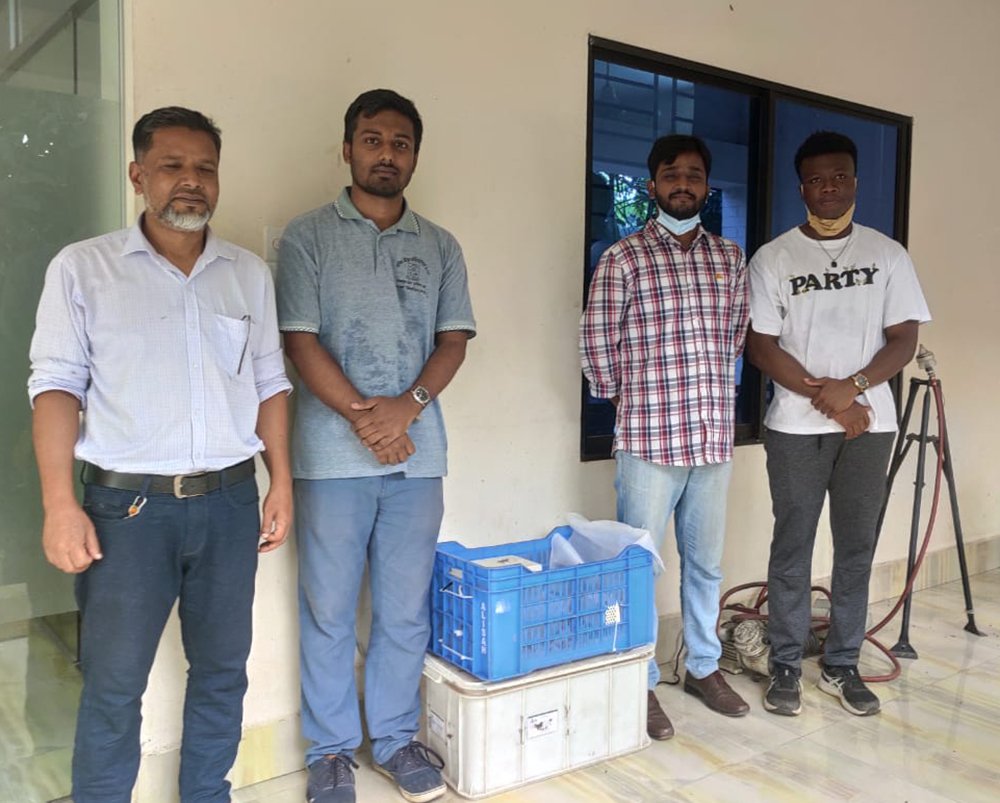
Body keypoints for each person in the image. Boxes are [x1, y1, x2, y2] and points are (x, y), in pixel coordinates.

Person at [28, 106, 293, 803]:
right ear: (138, 175)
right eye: (172, 165)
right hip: (126, 511)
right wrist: (59, 504)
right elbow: (55, 387)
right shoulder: (84, 269)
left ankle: (207, 793)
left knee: (223, 672)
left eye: (205, 167)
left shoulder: (247, 274)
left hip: (230, 503)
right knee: (114, 682)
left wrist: (281, 482)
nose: (191, 180)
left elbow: (270, 383)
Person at [276, 88, 475, 803]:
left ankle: (393, 738)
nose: (386, 153)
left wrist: (406, 410)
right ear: (347, 149)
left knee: (404, 609)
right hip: (331, 460)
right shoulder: (306, 236)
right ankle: (330, 751)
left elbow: (453, 341)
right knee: (328, 609)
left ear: (414, 155)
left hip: (418, 460)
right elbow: (299, 340)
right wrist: (369, 419)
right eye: (372, 140)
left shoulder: (440, 244)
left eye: (400, 143)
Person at [747, 130, 931, 718]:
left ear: (855, 182)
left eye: (839, 177)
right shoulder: (774, 258)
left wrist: (853, 387)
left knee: (856, 546)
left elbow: (904, 339)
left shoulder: (888, 254)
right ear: (801, 188)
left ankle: (842, 662)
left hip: (869, 428)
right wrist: (832, 399)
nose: (828, 188)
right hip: (794, 429)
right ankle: (784, 661)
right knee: (792, 543)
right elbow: (761, 346)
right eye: (816, 179)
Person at [580, 134, 751, 740]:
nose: (683, 184)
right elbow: (597, 344)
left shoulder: (729, 258)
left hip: (712, 440)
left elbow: (735, 336)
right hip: (649, 442)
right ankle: (642, 678)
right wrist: (629, 399)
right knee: (639, 569)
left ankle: (703, 665)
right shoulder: (623, 258)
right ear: (652, 185)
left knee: (705, 565)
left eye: (694, 175)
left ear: (707, 186)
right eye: (672, 174)